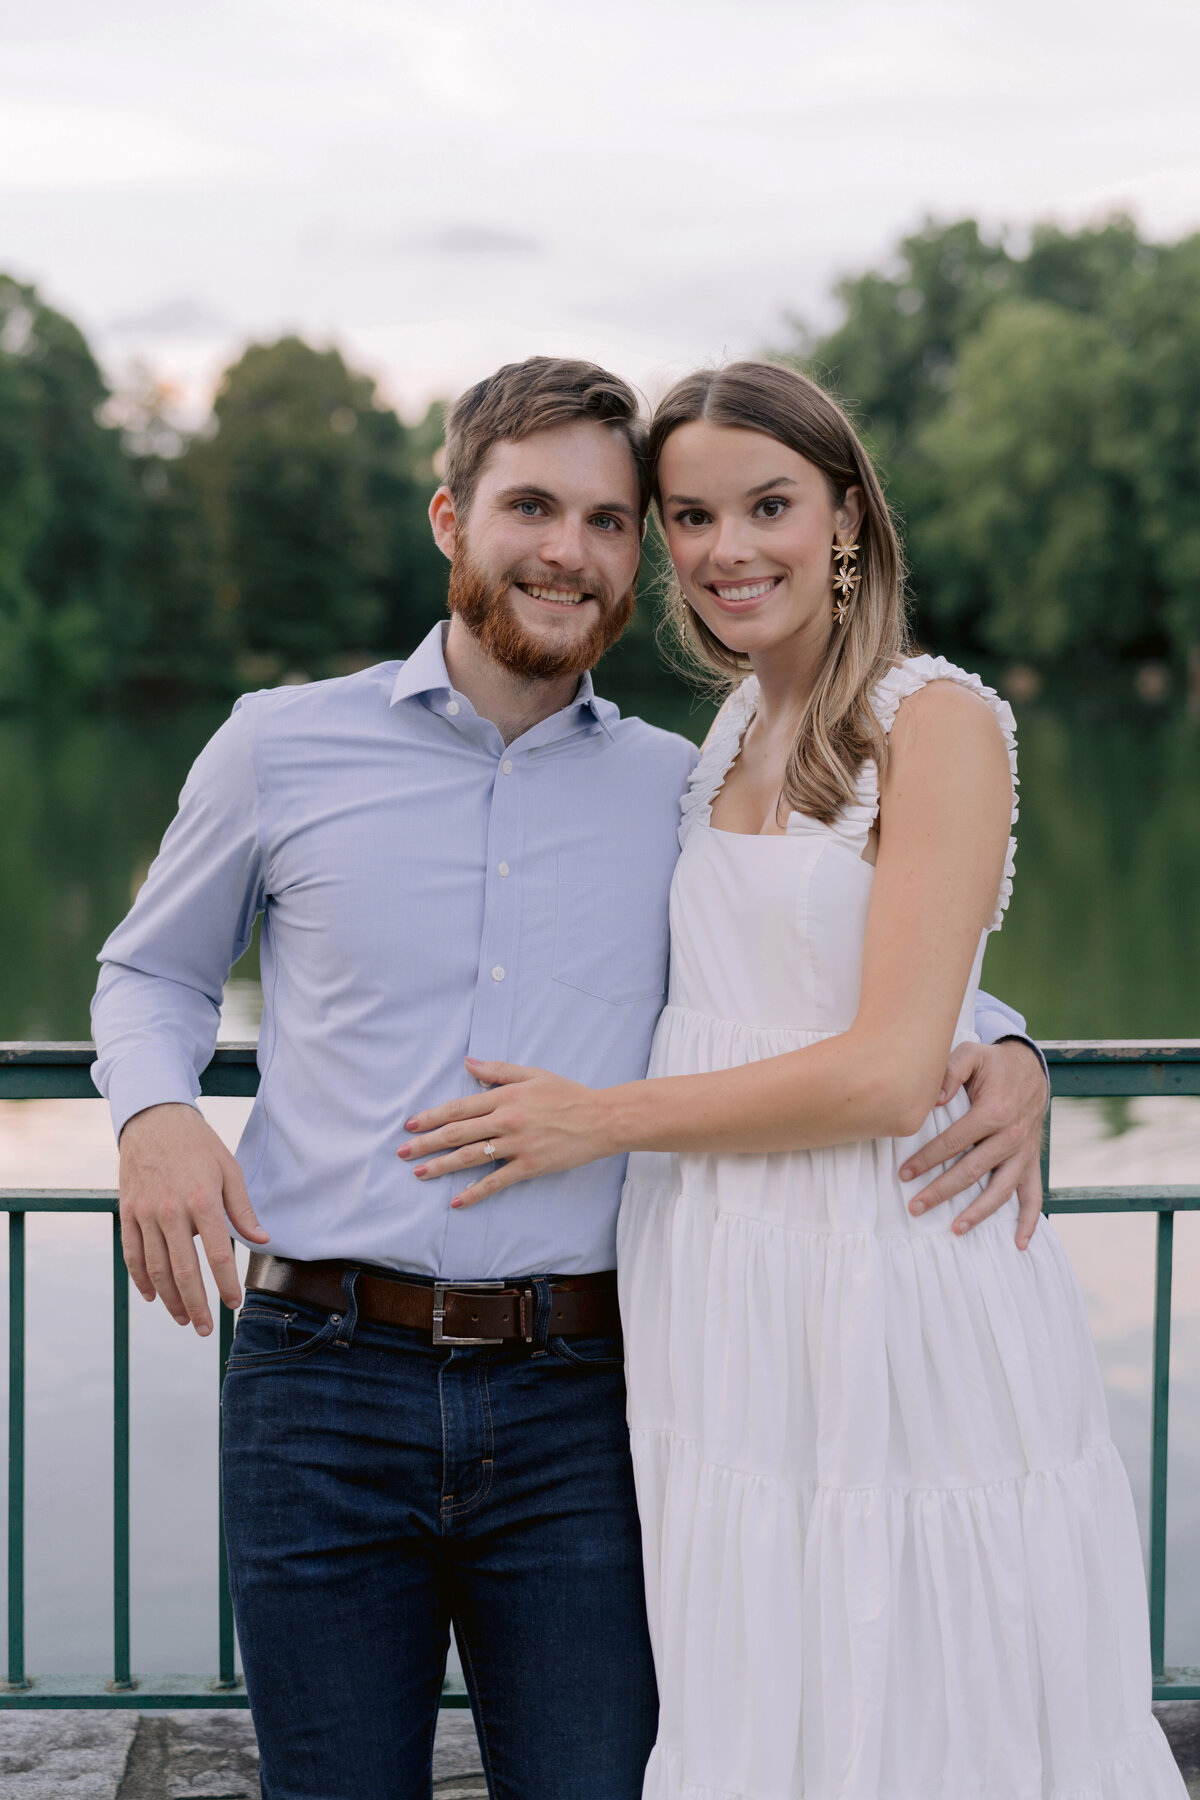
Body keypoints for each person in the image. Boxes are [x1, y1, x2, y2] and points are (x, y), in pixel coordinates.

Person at [91, 358, 1048, 1800]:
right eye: (531, 506)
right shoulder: (278, 746)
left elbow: (814, 946)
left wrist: (1012, 1041)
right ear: (449, 519)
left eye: (610, 521)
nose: (570, 550)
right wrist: (156, 1113)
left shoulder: (676, 781)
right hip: (321, 1384)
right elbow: (150, 974)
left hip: (587, 1397)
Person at [401, 362, 1185, 1799]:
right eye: (689, 515)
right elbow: (771, 977)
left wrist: (600, 1122)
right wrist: (1009, 1035)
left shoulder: (933, 720)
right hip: (719, 1288)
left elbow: (891, 1070)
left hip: (887, 1270)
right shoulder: (716, 746)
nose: (726, 548)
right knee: (764, 1681)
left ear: (845, 518)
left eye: (768, 505)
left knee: (928, 1681)